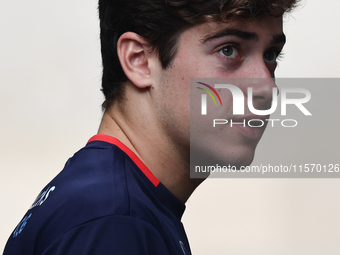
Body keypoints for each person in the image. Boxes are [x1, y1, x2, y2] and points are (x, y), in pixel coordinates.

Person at [3, 0, 298, 254]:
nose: (266, 87)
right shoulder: (114, 224)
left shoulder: (114, 205)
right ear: (139, 61)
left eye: (270, 55)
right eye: (229, 50)